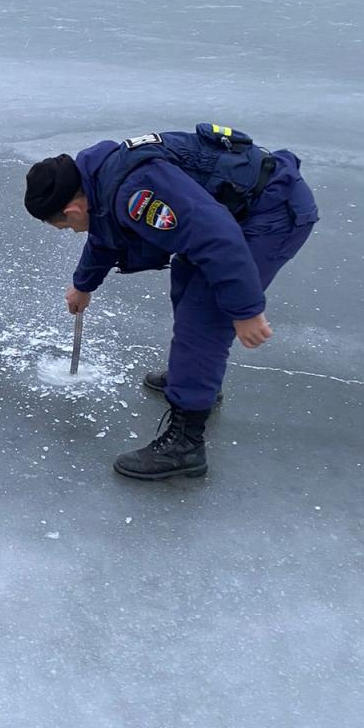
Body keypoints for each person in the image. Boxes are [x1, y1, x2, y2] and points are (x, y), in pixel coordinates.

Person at [24, 123, 318, 480]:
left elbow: (217, 237)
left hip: (270, 211)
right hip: (236, 209)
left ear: (71, 210)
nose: (73, 231)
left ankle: (186, 445)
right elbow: (105, 235)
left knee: (205, 316)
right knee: (186, 281)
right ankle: (195, 378)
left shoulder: (136, 193)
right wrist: (83, 284)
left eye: (67, 227)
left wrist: (247, 311)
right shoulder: (99, 180)